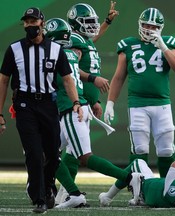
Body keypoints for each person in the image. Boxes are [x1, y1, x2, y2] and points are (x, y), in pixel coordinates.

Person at [43, 17, 143, 208]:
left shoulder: (56, 55)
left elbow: (66, 81)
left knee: (82, 157)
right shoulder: (71, 54)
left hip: (71, 108)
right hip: (77, 106)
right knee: (56, 153)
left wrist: (76, 102)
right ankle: (68, 192)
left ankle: (129, 177)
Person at [100, 7, 175, 206]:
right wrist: (110, 103)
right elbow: (119, 76)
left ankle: (168, 190)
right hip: (137, 105)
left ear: (161, 28)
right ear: (140, 24)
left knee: (165, 150)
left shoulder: (169, 43)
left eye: (154, 26)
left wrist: (162, 46)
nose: (149, 29)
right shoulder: (128, 45)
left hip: (162, 104)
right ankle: (139, 193)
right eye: (146, 24)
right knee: (139, 150)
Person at [0, 7, 82, 214]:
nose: (30, 25)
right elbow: (3, 80)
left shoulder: (56, 49)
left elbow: (67, 78)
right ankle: (40, 198)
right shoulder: (14, 49)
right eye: (26, 22)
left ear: (42, 24)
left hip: (48, 104)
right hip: (25, 105)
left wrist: (76, 103)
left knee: (53, 154)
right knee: (35, 153)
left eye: (33, 22)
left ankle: (46, 185)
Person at [55, 2, 119, 206]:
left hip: (81, 104)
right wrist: (93, 78)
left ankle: (67, 193)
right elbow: (70, 69)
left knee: (71, 153)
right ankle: (126, 177)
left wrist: (95, 100)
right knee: (61, 151)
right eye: (88, 22)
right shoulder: (72, 40)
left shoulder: (84, 40)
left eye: (94, 22)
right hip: (71, 103)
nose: (92, 26)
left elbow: (93, 38)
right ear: (75, 24)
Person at [100, 159, 175, 209]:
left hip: (145, 185)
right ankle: (140, 198)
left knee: (137, 162)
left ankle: (107, 197)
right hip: (153, 192)